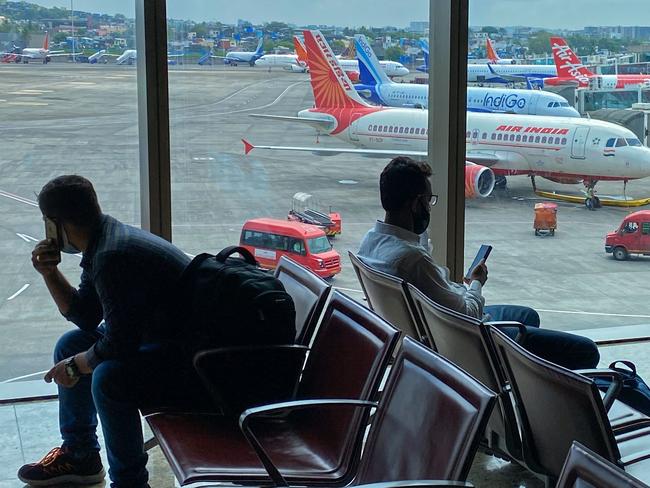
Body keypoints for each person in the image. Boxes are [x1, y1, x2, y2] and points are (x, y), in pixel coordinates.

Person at [19, 175, 206, 488]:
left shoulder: (112, 256)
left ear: (54, 224)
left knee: (109, 377)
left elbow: (118, 344)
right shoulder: (105, 241)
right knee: (71, 345)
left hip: (193, 363)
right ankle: (81, 457)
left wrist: (74, 367)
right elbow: (86, 317)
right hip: (166, 341)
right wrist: (50, 273)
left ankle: (130, 482)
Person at [358, 157, 599, 370]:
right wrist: (476, 284)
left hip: (436, 328)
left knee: (528, 316)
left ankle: (521, 374)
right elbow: (468, 316)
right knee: (586, 351)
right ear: (414, 204)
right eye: (427, 201)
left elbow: (419, 261)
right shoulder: (412, 260)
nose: (429, 208)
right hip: (468, 338)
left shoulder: (372, 242)